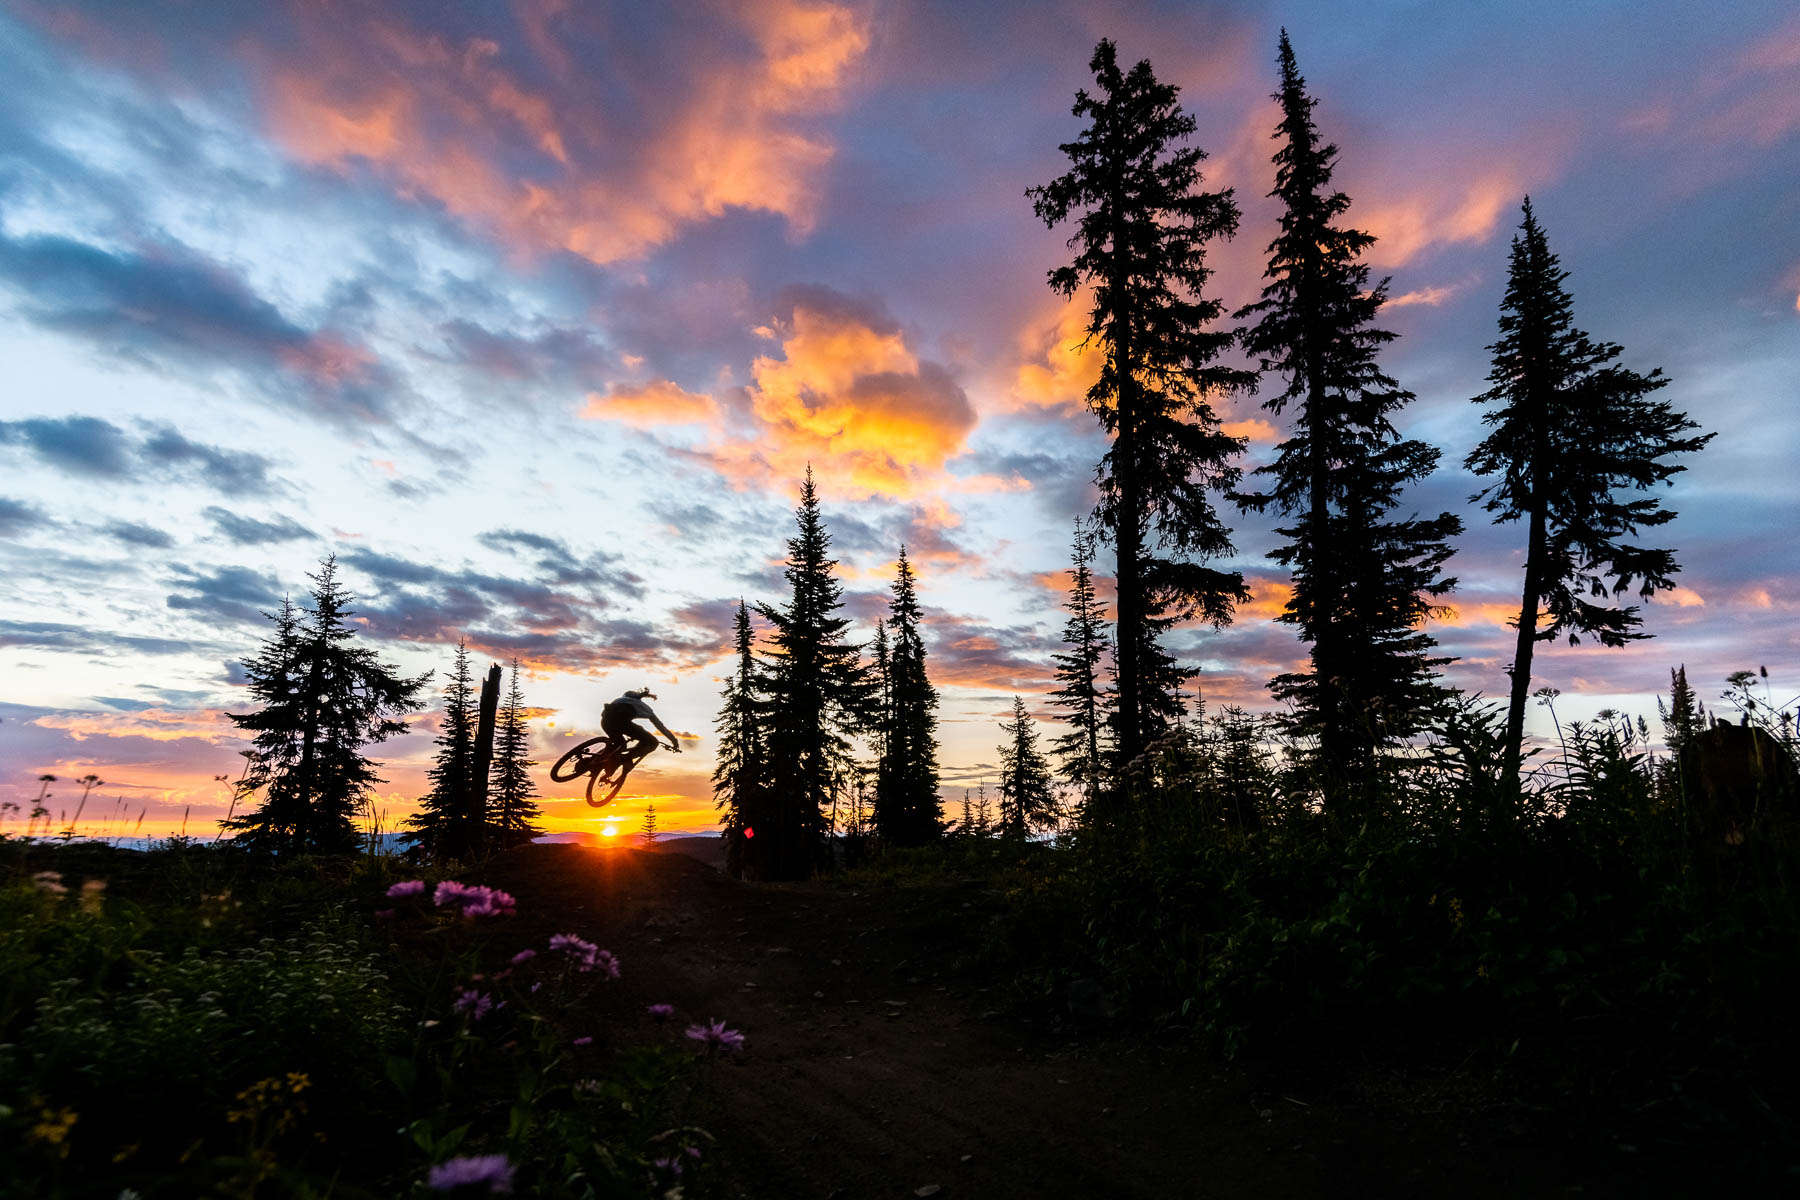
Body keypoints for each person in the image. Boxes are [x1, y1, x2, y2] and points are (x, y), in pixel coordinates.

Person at [601, 687, 681, 766]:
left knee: (619, 744)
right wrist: (674, 741)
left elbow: (633, 693)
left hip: (605, 721)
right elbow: (660, 727)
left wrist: (646, 694)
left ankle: (595, 761)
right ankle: (622, 760)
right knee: (653, 742)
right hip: (622, 723)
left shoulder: (620, 699)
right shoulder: (644, 707)